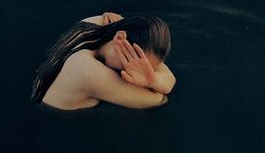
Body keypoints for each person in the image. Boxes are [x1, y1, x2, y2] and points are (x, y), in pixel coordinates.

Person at [30, 12, 176, 110]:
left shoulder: (98, 22)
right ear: (119, 39)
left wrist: (151, 80)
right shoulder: (91, 74)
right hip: (55, 123)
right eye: (135, 60)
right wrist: (154, 82)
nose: (138, 69)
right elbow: (160, 99)